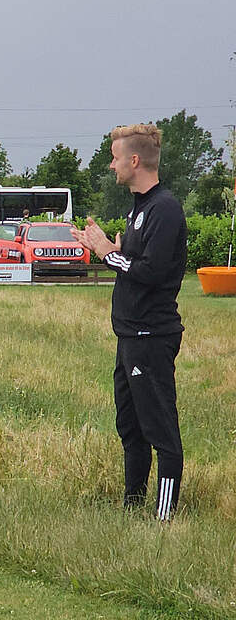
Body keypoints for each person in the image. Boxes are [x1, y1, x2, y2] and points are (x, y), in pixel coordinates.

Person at [71, 123, 186, 521]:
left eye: (115, 158)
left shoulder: (164, 209)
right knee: (131, 428)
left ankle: (163, 520)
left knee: (160, 431)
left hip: (151, 335)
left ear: (134, 160)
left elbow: (151, 272)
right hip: (129, 336)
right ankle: (131, 507)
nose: (111, 165)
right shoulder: (138, 208)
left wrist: (107, 252)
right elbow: (133, 265)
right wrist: (109, 249)